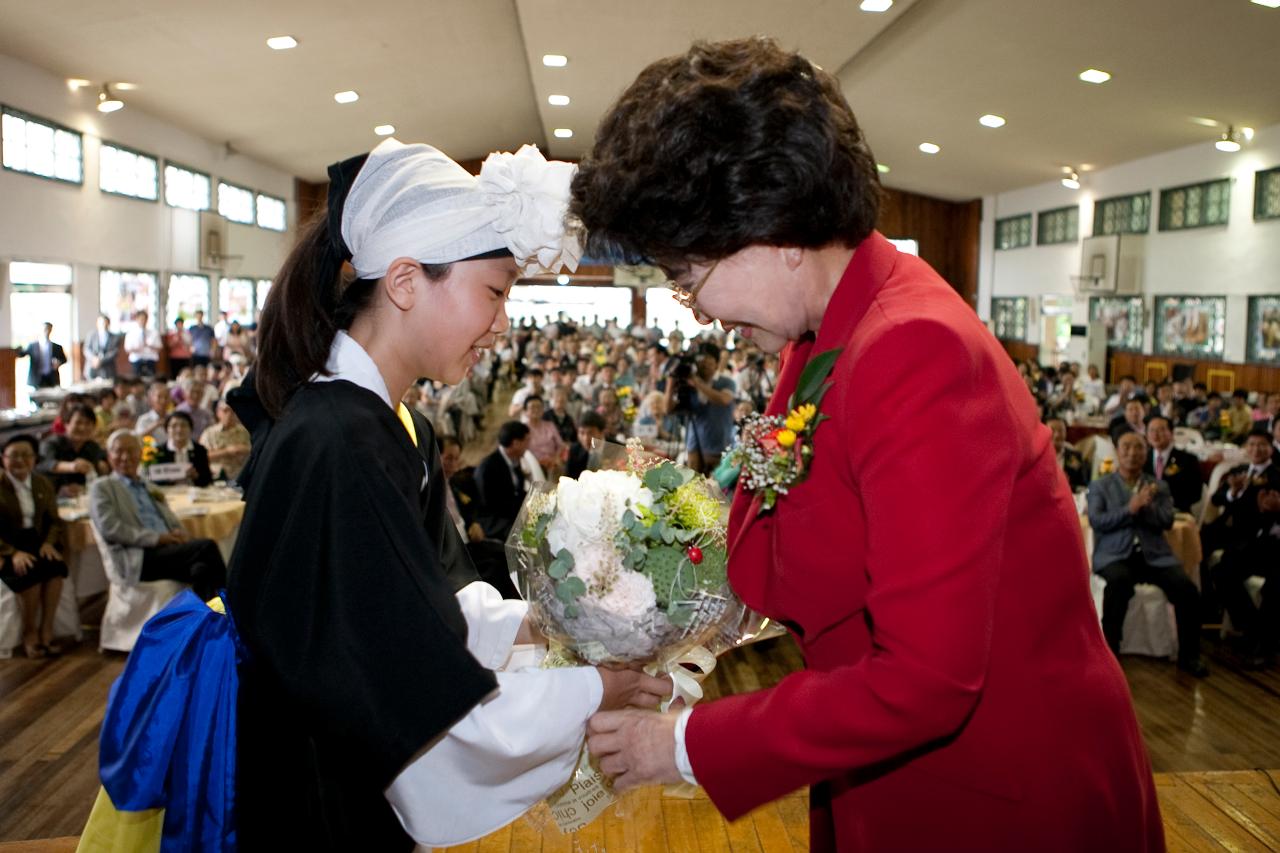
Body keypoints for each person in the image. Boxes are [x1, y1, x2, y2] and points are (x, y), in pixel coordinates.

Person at [570, 37, 1162, 851]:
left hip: (998, 794)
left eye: (687, 272)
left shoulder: (913, 348)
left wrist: (682, 746)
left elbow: (927, 679)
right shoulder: (819, 334)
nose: (693, 308)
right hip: (885, 772)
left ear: (771, 223)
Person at [224, 139, 667, 850]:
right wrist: (593, 689)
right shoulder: (338, 438)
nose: (501, 325)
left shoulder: (374, 421)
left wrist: (544, 623)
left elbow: (402, 612)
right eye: (493, 292)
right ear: (405, 280)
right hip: (316, 797)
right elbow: (423, 705)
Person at [1087, 431, 1207, 676]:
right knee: (1118, 585)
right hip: (1115, 556)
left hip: (1153, 555)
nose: (1132, 453)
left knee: (1187, 590)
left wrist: (1147, 506)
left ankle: (1189, 656)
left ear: (1146, 453)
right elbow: (1098, 521)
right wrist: (1130, 509)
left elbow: (1166, 521)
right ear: (1117, 451)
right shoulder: (1101, 485)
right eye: (1127, 447)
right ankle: (1110, 655)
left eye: (1138, 448)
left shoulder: (1158, 485)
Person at [89, 430, 226, 600]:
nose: (125, 457)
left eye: (131, 450)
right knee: (206, 547)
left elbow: (171, 520)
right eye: (119, 451)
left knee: (201, 569)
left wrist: (178, 532)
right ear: (109, 456)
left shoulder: (149, 486)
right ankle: (234, 613)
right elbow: (111, 529)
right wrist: (159, 538)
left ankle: (206, 621)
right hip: (139, 557)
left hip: (167, 551)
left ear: (140, 454)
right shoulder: (102, 487)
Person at [1209, 429, 1280, 668]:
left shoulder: (1277, 475)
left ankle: (1264, 644)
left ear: (1271, 449)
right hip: (1245, 544)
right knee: (1221, 573)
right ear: (1246, 448)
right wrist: (1233, 492)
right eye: (1252, 445)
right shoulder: (1238, 473)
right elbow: (1217, 498)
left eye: (1262, 445)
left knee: (1274, 586)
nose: (1257, 450)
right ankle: (1253, 630)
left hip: (1272, 544)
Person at [0, 435, 69, 659]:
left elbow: (54, 520)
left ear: (34, 459)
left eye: (26, 455)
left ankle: (46, 630)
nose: (20, 460)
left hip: (36, 541)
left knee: (55, 568)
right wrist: (12, 552)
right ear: (3, 459)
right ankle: (30, 633)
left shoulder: (41, 483)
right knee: (27, 571)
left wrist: (48, 543)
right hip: (8, 545)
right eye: (13, 456)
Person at [439, 436, 520, 600]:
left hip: (468, 540)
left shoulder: (454, 483)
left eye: (456, 459)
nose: (453, 464)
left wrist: (473, 522)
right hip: (452, 551)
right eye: (448, 458)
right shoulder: (431, 491)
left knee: (507, 554)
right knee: (494, 568)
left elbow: (468, 510)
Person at [669, 341, 735, 475]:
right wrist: (670, 383)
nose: (704, 364)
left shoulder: (726, 382)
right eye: (700, 360)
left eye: (708, 360)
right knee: (693, 483)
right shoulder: (689, 385)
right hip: (694, 443)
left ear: (717, 363)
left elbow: (723, 399)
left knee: (716, 487)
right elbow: (668, 409)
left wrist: (697, 382)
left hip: (718, 443)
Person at [474, 420, 532, 542]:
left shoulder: (513, 459)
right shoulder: (488, 468)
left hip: (508, 512)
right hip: (493, 519)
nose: (529, 445)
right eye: (527, 441)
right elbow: (489, 505)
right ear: (516, 443)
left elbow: (516, 491)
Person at [37, 403, 109, 495]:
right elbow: (44, 463)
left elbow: (103, 465)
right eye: (78, 422)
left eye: (88, 423)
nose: (83, 428)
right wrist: (73, 466)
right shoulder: (51, 443)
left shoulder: (92, 447)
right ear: (66, 424)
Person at [1143, 415, 1203, 514]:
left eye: (1161, 430)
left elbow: (1195, 493)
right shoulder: (1142, 458)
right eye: (1151, 430)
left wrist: (1168, 502)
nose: (1155, 435)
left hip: (1176, 512)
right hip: (1146, 512)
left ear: (1171, 433)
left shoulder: (1188, 459)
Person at [152, 411, 213, 487]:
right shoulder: (158, 451)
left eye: (183, 425)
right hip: (168, 494)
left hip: (194, 494)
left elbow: (208, 480)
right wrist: (173, 478)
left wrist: (196, 476)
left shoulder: (199, 450)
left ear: (191, 429)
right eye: (174, 426)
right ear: (167, 430)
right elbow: (154, 480)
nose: (179, 430)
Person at [199, 399, 251, 482]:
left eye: (233, 411)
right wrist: (227, 451)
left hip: (240, 476)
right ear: (218, 412)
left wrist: (245, 449)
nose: (229, 414)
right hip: (216, 476)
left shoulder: (245, 432)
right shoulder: (209, 433)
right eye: (225, 410)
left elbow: (255, 453)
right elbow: (201, 457)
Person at [521, 395, 565, 479]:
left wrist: (555, 458)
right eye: (532, 407)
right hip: (532, 465)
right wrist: (538, 463)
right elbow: (522, 452)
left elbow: (560, 445)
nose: (536, 410)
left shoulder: (549, 425)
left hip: (552, 463)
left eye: (539, 407)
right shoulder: (522, 429)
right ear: (525, 411)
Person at [16, 322, 65, 388]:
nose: (47, 331)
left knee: (52, 397)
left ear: (51, 330)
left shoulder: (57, 347)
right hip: (37, 379)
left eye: (49, 329)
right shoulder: (32, 346)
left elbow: (64, 359)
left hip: (52, 378)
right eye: (45, 329)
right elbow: (21, 354)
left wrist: (58, 362)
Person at [1046, 417, 1089, 492]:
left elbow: (1082, 486)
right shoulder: (1037, 457)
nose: (1057, 435)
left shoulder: (1075, 456)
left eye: (1061, 431)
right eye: (1052, 430)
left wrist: (1066, 484)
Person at [567, 411, 606, 479]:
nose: (586, 438)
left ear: (602, 432)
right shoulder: (574, 450)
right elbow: (571, 479)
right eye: (582, 433)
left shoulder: (618, 448)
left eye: (590, 433)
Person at [124, 310, 162, 378]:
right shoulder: (131, 333)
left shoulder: (154, 333)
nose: (143, 321)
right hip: (136, 359)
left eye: (144, 319)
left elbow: (159, 348)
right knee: (136, 381)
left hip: (151, 359)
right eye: (141, 319)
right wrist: (138, 348)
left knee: (151, 379)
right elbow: (127, 349)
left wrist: (149, 346)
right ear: (137, 319)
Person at [84, 314, 122, 380]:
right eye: (101, 322)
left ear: (108, 323)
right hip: (92, 367)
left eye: (105, 322)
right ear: (97, 323)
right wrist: (93, 359)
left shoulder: (115, 337)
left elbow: (114, 352)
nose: (103, 324)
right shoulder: (91, 335)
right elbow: (86, 349)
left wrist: (101, 360)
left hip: (108, 368)